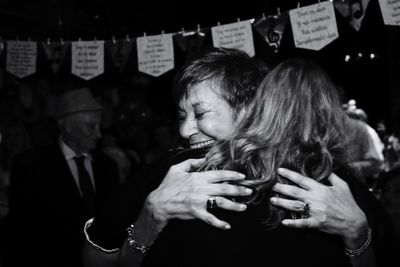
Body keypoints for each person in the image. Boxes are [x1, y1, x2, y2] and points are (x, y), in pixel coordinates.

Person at [83, 50, 390, 266]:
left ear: (248, 109)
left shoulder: (326, 177)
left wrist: (357, 232)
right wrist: (150, 217)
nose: (185, 129)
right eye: (181, 116)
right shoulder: (173, 172)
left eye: (200, 113)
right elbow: (95, 257)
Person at [5, 88, 120, 267]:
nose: (99, 134)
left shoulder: (108, 166)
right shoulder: (31, 165)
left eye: (99, 126)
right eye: (91, 126)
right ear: (67, 125)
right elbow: (21, 229)